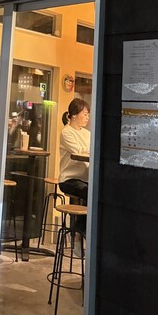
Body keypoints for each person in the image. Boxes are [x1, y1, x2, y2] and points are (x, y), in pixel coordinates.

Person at [58, 98, 91, 240]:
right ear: (74, 115)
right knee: (90, 193)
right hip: (69, 179)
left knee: (97, 192)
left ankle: (81, 230)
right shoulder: (66, 132)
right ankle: (79, 232)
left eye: (88, 115)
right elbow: (78, 151)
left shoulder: (87, 134)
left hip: (86, 179)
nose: (87, 118)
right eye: (85, 114)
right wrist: (90, 149)